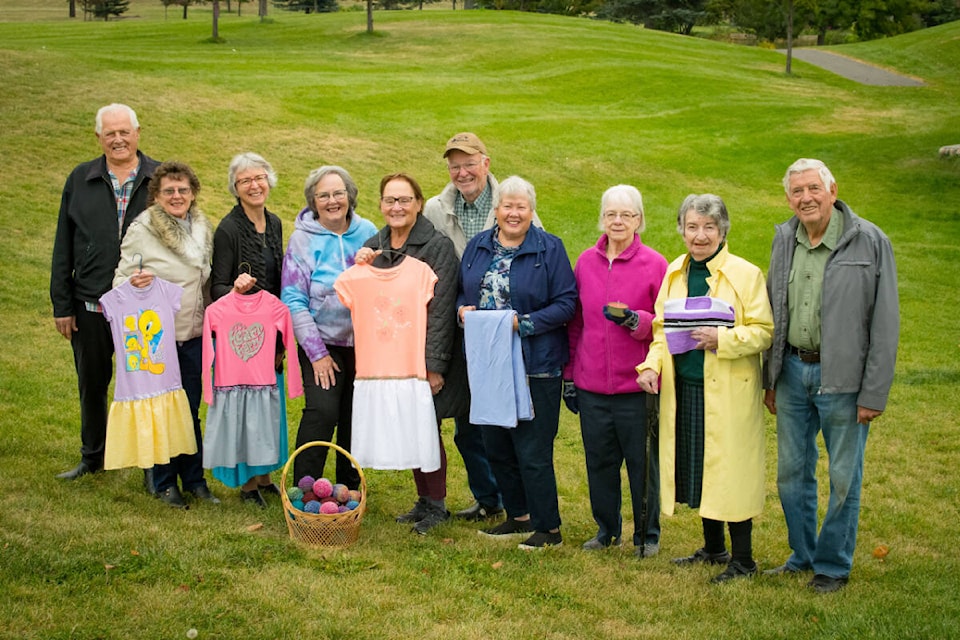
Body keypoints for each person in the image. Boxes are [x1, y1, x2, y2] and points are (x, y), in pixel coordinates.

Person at [762, 159, 899, 594]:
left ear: (833, 190)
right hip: (792, 372)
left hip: (844, 380)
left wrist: (873, 392)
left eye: (813, 188)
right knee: (791, 473)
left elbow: (885, 323)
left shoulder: (870, 241)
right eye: (797, 191)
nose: (806, 198)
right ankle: (802, 556)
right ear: (789, 199)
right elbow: (773, 308)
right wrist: (771, 376)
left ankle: (833, 565)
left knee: (844, 477)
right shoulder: (784, 239)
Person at [636, 194, 773, 583]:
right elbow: (662, 330)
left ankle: (743, 560)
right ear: (681, 230)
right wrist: (650, 366)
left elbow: (763, 332)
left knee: (729, 471)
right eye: (692, 227)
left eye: (709, 228)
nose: (700, 236)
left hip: (729, 390)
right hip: (687, 388)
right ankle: (714, 549)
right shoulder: (676, 273)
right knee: (700, 469)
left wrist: (722, 339)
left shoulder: (746, 275)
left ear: (722, 231)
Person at [458, 176, 577, 550]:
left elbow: (566, 304)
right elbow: (463, 291)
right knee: (496, 443)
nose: (513, 212)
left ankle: (548, 529)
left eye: (520, 207)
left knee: (533, 449)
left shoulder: (549, 249)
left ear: (531, 211)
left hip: (534, 365)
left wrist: (522, 324)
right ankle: (518, 515)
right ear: (496, 210)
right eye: (507, 205)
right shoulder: (478, 247)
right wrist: (462, 310)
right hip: (489, 363)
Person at [424, 132, 537, 522]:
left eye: (469, 163)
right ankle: (489, 498)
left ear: (486, 163)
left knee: (509, 418)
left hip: (506, 331)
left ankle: (518, 501)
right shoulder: (437, 209)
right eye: (454, 165)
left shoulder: (511, 201)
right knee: (467, 421)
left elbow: (536, 258)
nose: (462, 171)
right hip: (460, 326)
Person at [51, 103, 160, 488]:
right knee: (92, 383)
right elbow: (63, 244)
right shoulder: (81, 179)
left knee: (147, 388)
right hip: (91, 305)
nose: (118, 139)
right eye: (110, 133)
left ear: (137, 133)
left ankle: (153, 467)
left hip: (141, 308)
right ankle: (92, 456)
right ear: (98, 137)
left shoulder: (159, 178)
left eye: (124, 131)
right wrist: (62, 305)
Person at [354, 173, 462, 535]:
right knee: (409, 426)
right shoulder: (375, 244)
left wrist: (434, 366)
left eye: (404, 200)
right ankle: (423, 499)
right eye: (389, 201)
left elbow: (442, 310)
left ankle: (438, 504)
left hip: (423, 357)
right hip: (391, 359)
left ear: (418, 203)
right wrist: (362, 263)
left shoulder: (437, 247)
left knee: (426, 428)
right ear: (381, 205)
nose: (396, 207)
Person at [564, 185, 667, 557]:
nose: (618, 221)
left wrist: (636, 321)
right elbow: (576, 323)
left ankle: (647, 534)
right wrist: (571, 376)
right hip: (592, 384)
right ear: (602, 218)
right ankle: (607, 530)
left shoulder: (655, 264)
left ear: (639, 220)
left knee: (642, 465)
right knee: (600, 462)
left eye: (626, 215)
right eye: (611, 214)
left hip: (636, 385)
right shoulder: (585, 262)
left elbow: (666, 324)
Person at [113, 161, 219, 509]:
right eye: (169, 190)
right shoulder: (142, 229)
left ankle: (195, 480)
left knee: (189, 408)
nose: (177, 196)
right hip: (158, 338)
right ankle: (163, 482)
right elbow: (121, 280)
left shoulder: (203, 227)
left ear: (193, 193)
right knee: (162, 410)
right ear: (156, 195)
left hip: (194, 331)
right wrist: (134, 283)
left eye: (183, 190)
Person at [281, 166, 377, 492]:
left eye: (338, 193)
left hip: (365, 343)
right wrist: (318, 355)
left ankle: (348, 489)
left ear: (350, 196)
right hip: (321, 341)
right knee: (322, 411)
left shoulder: (368, 231)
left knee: (355, 415)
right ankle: (303, 490)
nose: (332, 200)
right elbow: (293, 300)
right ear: (314, 201)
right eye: (324, 195)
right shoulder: (302, 240)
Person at [209, 152, 286, 507]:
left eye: (259, 178)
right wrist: (235, 289)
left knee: (269, 404)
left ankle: (265, 476)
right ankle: (247, 486)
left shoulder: (274, 224)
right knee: (247, 407)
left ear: (268, 180)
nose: (254, 185)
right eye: (245, 181)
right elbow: (217, 287)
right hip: (243, 338)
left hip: (270, 330)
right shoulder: (228, 229)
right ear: (235, 188)